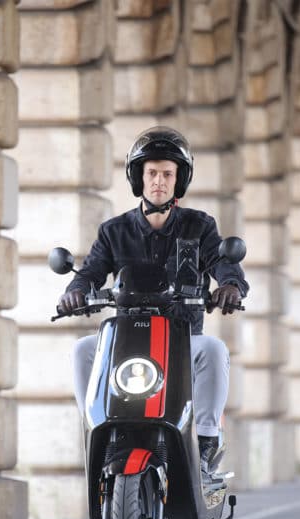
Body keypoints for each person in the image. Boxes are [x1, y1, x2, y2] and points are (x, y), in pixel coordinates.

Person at [58, 126, 249, 478]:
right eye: (151, 173)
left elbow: (224, 263)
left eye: (167, 174)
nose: (159, 181)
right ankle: (95, 431)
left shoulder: (200, 226)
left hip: (181, 339)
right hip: (127, 341)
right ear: (138, 177)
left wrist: (231, 285)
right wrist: (76, 290)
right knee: (83, 349)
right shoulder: (113, 231)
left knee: (214, 349)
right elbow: (92, 271)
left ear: (179, 180)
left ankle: (207, 446)